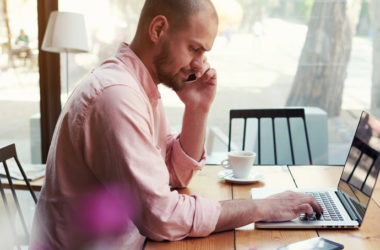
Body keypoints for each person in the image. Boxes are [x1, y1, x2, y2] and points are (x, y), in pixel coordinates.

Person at [30, 0, 322, 249]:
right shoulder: (117, 96)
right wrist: (262, 207)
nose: (200, 64)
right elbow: (161, 216)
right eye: (194, 48)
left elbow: (173, 174)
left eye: (203, 53)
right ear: (158, 29)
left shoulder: (138, 87)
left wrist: (197, 109)